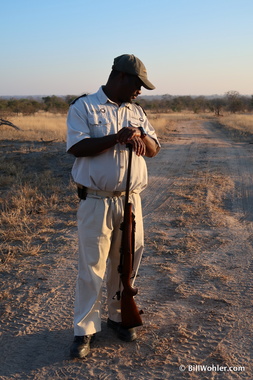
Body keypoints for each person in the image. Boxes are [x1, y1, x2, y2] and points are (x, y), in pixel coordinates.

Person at [66, 54, 160, 359]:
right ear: (120, 77)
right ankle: (85, 331)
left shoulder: (137, 111)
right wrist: (115, 138)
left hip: (131, 201)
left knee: (127, 264)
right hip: (96, 201)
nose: (139, 91)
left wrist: (141, 136)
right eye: (137, 84)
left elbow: (155, 149)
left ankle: (119, 318)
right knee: (91, 268)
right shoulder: (84, 107)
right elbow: (77, 148)